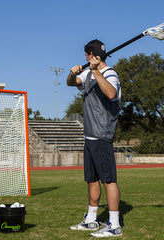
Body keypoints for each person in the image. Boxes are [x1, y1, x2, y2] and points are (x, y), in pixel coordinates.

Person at [67, 39, 122, 238]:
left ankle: (114, 225)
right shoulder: (88, 73)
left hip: (102, 135)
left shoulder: (110, 74)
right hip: (89, 135)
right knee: (92, 180)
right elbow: (71, 83)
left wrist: (96, 70)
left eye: (86, 54)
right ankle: (91, 220)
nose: (85, 58)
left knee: (108, 180)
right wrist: (72, 73)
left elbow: (111, 93)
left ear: (91, 54)